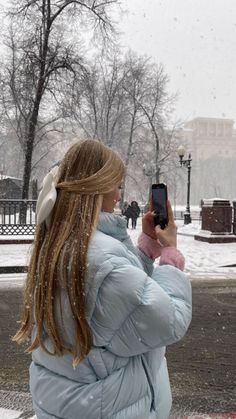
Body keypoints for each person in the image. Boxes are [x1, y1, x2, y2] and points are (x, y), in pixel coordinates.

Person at [13, 139, 192, 419]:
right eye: (116, 185)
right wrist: (170, 255)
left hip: (72, 403)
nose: (119, 196)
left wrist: (146, 248)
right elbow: (170, 321)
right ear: (95, 187)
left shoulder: (61, 243)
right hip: (110, 409)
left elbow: (113, 311)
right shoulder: (101, 260)